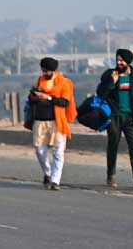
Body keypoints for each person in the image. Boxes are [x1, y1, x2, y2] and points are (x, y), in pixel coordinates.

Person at [29, 57, 76, 190]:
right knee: (39, 150)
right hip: (40, 121)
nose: (44, 73)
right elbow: (32, 98)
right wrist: (33, 96)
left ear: (53, 70)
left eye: (46, 71)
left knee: (58, 152)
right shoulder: (40, 81)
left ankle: (55, 181)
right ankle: (47, 173)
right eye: (42, 70)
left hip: (57, 121)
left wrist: (48, 97)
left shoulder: (64, 83)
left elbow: (65, 102)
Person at [97, 48, 133, 187]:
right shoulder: (109, 74)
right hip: (113, 117)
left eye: (121, 60)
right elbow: (100, 93)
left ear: (128, 61)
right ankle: (110, 176)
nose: (118, 62)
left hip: (130, 117)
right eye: (117, 59)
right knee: (113, 145)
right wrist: (112, 82)